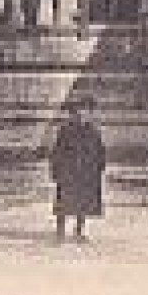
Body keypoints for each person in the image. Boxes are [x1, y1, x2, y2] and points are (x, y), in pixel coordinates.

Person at [48, 97, 106, 243]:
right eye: (79, 110)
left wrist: (99, 167)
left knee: (84, 202)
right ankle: (60, 231)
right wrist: (55, 170)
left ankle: (79, 231)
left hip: (86, 173)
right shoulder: (65, 130)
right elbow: (57, 151)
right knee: (64, 202)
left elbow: (100, 151)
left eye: (86, 111)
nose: (82, 114)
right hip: (68, 172)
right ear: (73, 113)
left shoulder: (94, 132)